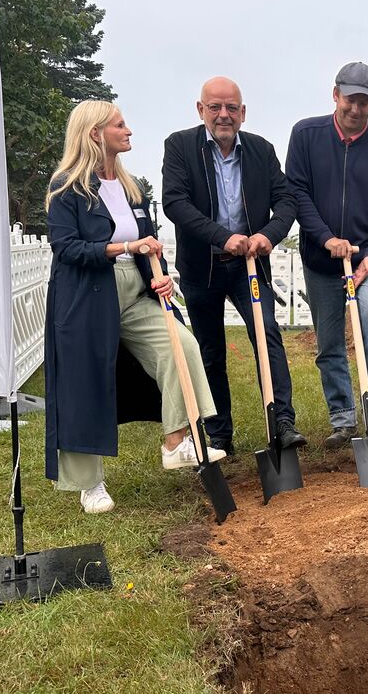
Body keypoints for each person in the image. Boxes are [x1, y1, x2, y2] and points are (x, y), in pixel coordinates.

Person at [45, 100, 226, 515]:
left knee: (181, 346)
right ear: (95, 133)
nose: (128, 131)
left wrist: (159, 274)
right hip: (86, 295)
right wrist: (127, 246)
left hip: (134, 291)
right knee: (85, 384)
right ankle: (89, 484)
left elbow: (148, 245)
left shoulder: (131, 188)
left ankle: (175, 441)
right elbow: (66, 248)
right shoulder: (66, 188)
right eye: (119, 125)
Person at [162, 76, 304, 455]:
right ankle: (219, 434)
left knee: (267, 333)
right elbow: (175, 203)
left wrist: (269, 235)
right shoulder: (180, 147)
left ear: (243, 112)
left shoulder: (260, 150)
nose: (223, 115)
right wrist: (221, 236)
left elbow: (286, 200)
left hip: (249, 266)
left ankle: (282, 422)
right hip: (202, 267)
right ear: (201, 110)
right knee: (210, 350)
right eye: (215, 107)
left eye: (231, 108)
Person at [285, 62, 368, 448]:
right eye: (350, 99)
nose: (356, 108)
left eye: (364, 102)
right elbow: (297, 193)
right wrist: (325, 239)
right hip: (321, 260)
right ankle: (342, 417)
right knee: (329, 341)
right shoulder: (305, 135)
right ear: (335, 94)